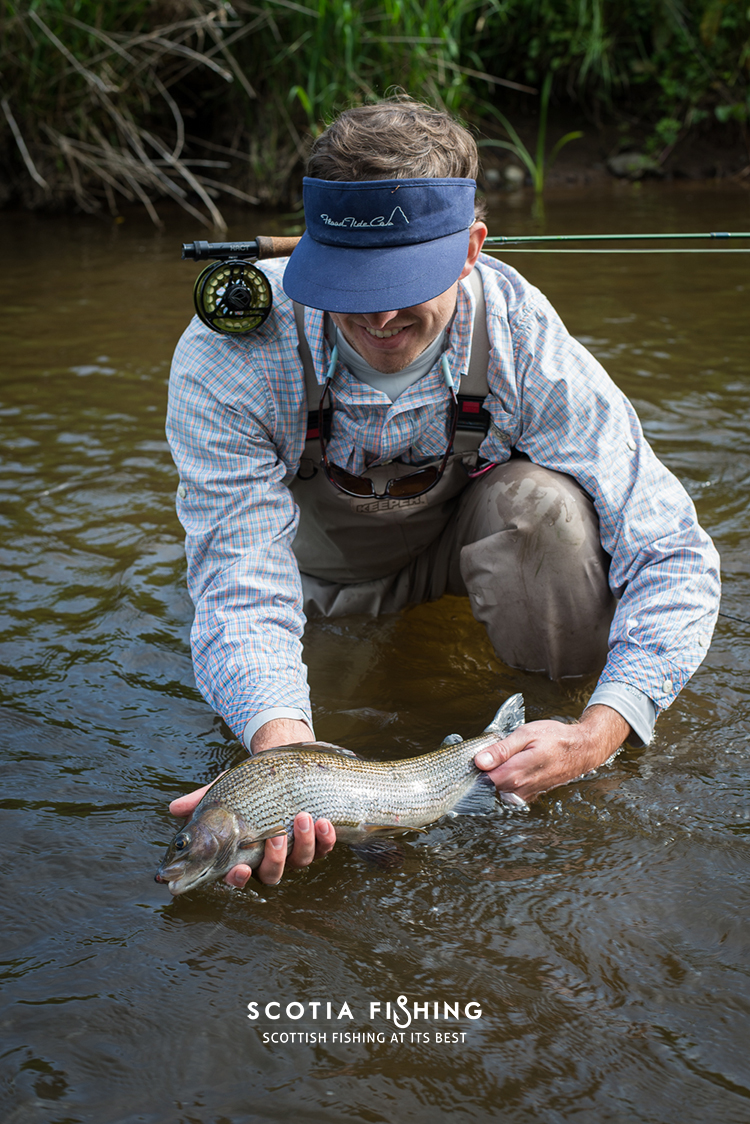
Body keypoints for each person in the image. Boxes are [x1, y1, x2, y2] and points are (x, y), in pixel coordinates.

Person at [166, 96, 720, 888]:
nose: (380, 313)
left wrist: (601, 730)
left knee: (549, 509)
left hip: (457, 553)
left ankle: (551, 738)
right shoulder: (232, 354)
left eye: (404, 282)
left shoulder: (522, 333)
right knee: (315, 738)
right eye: (352, 284)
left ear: (471, 250)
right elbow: (241, 582)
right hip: (312, 582)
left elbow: (670, 548)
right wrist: (283, 757)